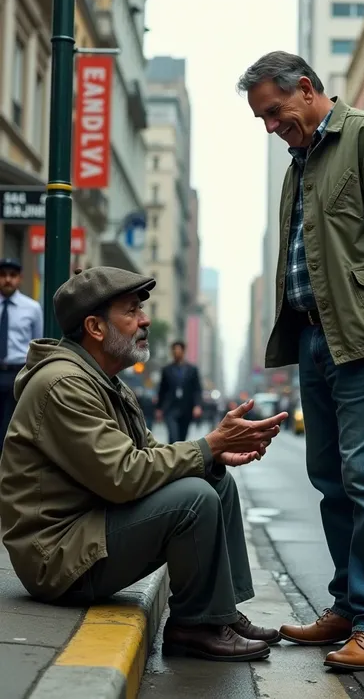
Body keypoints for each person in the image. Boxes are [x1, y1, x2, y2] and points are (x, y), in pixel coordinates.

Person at [238, 52, 364, 671]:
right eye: (262, 119)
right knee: (330, 479)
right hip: (313, 338)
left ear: (306, 89)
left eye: (274, 112)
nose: (271, 126)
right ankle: (350, 605)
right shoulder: (298, 165)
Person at [0, 266, 288, 663]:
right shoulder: (63, 384)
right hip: (57, 558)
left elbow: (149, 456)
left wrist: (212, 454)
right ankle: (194, 626)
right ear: (95, 328)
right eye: (132, 310)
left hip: (89, 528)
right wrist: (207, 445)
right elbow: (125, 476)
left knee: (214, 481)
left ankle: (220, 612)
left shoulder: (107, 383)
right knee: (193, 499)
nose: (145, 319)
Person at [0, 258, 43, 451]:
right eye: (3, 275)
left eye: (12, 275)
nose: (7, 280)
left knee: (10, 426)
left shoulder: (32, 308)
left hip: (17, 373)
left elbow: (37, 343)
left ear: (20, 279)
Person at [156, 341, 203, 443]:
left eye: (178, 350)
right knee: (173, 436)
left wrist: (197, 406)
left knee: (182, 438)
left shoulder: (192, 370)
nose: (176, 353)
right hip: (170, 408)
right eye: (174, 351)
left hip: (186, 408)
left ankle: (178, 457)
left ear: (183, 351)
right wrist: (159, 408)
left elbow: (197, 389)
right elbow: (161, 390)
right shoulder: (166, 369)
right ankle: (172, 457)